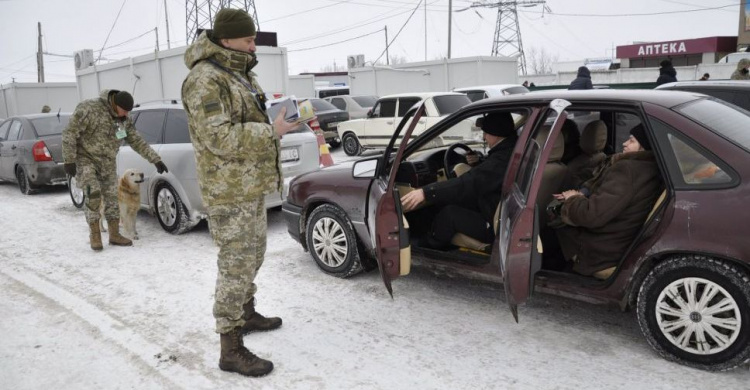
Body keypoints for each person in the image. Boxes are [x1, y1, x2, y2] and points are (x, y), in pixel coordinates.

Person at [181, 8, 298, 378]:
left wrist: (276, 119)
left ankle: (246, 314)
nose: (253, 44)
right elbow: (219, 137)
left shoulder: (238, 73)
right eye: (248, 39)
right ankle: (230, 347)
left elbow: (252, 118)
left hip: (248, 185)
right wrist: (272, 132)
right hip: (228, 190)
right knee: (235, 266)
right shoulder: (205, 80)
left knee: (253, 256)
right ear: (226, 38)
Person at [62, 90, 167, 251]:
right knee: (94, 194)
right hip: (86, 160)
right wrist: (69, 160)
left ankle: (114, 234)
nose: (126, 114)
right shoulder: (89, 108)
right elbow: (70, 133)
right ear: (115, 104)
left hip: (108, 162)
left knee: (112, 197)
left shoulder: (124, 119)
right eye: (124, 110)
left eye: (128, 111)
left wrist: (155, 159)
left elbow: (136, 141)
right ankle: (95, 235)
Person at [553, 124, 662, 277]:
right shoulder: (650, 167)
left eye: (631, 141)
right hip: (619, 240)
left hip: (601, 250)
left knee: (551, 231)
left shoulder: (626, 170)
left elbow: (591, 215)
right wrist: (584, 192)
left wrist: (573, 199)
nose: (624, 143)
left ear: (644, 147)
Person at [400, 112, 518, 249]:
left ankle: (429, 247)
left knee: (449, 214)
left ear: (496, 133)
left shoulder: (501, 160)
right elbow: (486, 176)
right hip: (498, 211)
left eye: (485, 133)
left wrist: (426, 192)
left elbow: (467, 183)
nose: (484, 137)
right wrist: (479, 161)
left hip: (493, 225)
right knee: (452, 200)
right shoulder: (512, 150)